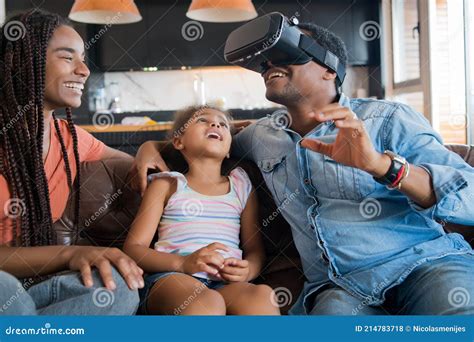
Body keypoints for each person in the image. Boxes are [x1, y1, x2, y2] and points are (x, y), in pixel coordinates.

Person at [131, 22, 474, 315]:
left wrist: (381, 165)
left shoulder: (389, 119)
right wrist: (149, 146)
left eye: (284, 54)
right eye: (264, 60)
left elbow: (468, 196)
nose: (267, 64)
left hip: (424, 265)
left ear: (329, 69)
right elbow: (204, 146)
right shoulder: (260, 136)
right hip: (341, 289)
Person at [0, 9, 142, 315]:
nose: (84, 70)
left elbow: (132, 163)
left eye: (83, 58)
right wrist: (71, 253)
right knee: (6, 287)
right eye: (68, 57)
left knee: (117, 290)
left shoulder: (72, 139)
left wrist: (153, 147)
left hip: (33, 289)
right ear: (24, 61)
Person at [124, 106, 279, 315]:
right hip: (172, 277)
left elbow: (255, 251)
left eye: (223, 124)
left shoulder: (241, 186)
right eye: (202, 120)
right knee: (207, 302)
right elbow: (134, 248)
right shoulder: (167, 184)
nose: (215, 124)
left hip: (224, 283)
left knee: (262, 298)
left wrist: (248, 269)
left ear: (230, 149)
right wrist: (182, 263)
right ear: (179, 142)